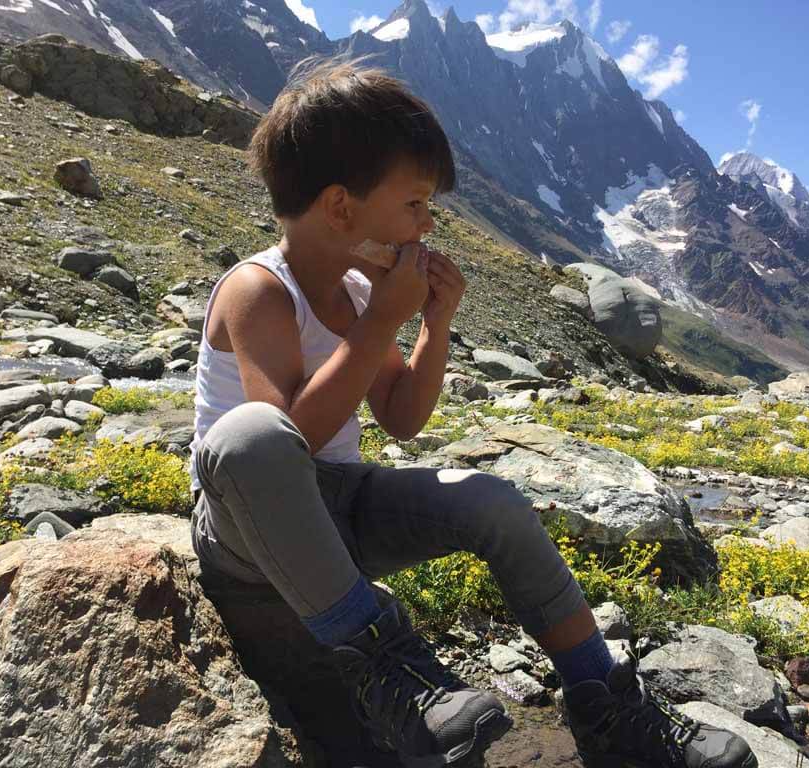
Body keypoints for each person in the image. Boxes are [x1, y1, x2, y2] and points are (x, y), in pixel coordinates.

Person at [188, 58, 758, 768]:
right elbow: (283, 446)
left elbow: (399, 417)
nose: (427, 224)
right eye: (415, 205)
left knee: (493, 501)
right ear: (341, 208)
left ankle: (608, 704)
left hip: (341, 505)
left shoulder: (360, 293)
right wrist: (375, 328)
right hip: (247, 524)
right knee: (249, 436)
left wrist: (433, 323)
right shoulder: (258, 289)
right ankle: (398, 675)